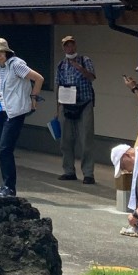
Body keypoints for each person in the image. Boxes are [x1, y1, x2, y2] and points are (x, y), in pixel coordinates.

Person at [0, 37, 44, 197]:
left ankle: (10, 188)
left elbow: (39, 78)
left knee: (5, 149)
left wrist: (34, 97)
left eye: (0, 52)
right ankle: (5, 185)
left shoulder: (16, 65)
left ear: (6, 52)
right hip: (1, 111)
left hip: (15, 112)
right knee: (1, 149)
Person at [55, 35, 96, 184]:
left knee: (86, 139)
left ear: (75, 46)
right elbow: (58, 87)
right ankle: (69, 171)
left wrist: (80, 68)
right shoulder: (61, 65)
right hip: (66, 105)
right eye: (66, 45)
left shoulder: (85, 60)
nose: (69, 48)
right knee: (66, 141)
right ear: (63, 48)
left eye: (71, 45)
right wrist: (57, 109)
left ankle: (88, 173)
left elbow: (92, 77)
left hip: (84, 103)